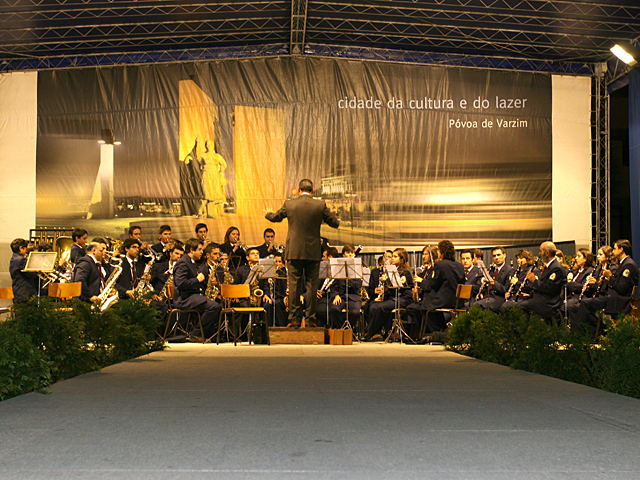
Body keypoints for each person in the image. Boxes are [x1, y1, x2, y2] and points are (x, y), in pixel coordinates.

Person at [265, 178, 340, 327]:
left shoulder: (290, 204)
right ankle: (311, 320)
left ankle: (294, 320)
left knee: (294, 285)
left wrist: (268, 214)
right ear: (312, 191)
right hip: (313, 252)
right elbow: (334, 223)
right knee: (312, 286)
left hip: (294, 251)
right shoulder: (320, 205)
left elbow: (275, 218)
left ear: (299, 190)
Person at [572, 239, 639, 334]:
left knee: (586, 303)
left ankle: (579, 333)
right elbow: (617, 283)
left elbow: (622, 288)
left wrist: (610, 276)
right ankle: (596, 331)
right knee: (583, 304)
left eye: (615, 249)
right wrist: (606, 282)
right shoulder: (623, 263)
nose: (613, 252)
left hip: (619, 300)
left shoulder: (628, 265)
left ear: (621, 249)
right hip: (613, 297)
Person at [172, 238, 221, 340]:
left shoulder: (191, 262)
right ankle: (196, 333)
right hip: (184, 298)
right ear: (191, 250)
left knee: (216, 305)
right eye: (199, 249)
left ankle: (206, 334)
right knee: (213, 307)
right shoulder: (183, 263)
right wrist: (197, 280)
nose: (202, 252)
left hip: (193, 296)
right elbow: (181, 283)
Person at [503, 241, 567, 320]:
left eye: (541, 251)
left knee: (517, 307)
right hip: (541, 299)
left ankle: (522, 329)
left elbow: (548, 289)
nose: (539, 253)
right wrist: (530, 294)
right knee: (511, 305)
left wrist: (534, 281)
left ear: (547, 253)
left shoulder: (556, 268)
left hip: (548, 303)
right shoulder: (550, 266)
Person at [364, 248, 414, 341]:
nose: (393, 259)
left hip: (403, 299)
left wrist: (386, 280)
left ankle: (370, 331)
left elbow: (398, 286)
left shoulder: (405, 272)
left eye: (395, 257)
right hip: (394, 297)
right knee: (373, 306)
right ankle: (378, 332)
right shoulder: (393, 270)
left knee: (380, 307)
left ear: (401, 259)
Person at [420, 240, 465, 334]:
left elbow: (433, 285)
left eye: (439, 250)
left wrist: (422, 282)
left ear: (442, 252)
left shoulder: (440, 265)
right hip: (458, 300)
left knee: (424, 307)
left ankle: (438, 332)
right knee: (431, 306)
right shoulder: (459, 265)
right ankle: (443, 330)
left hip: (446, 300)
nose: (437, 253)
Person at [329, 244, 363, 329]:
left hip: (353, 296)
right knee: (334, 309)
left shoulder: (358, 267)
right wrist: (336, 295)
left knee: (355, 312)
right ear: (343, 255)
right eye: (348, 252)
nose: (350, 255)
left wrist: (347, 278)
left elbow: (358, 285)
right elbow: (333, 284)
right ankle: (342, 329)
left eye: (352, 252)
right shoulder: (337, 267)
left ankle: (350, 329)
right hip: (340, 295)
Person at [474, 247, 514, 312]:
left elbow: (505, 289)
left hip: (498, 298)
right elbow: (487, 285)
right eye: (494, 256)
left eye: (498, 255)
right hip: (488, 297)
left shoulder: (509, 270)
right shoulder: (491, 270)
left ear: (504, 255)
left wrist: (493, 282)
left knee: (477, 306)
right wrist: (481, 292)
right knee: (469, 305)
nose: (496, 257)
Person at [72, 239, 110, 304]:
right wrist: (90, 296)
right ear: (94, 251)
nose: (103, 253)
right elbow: (79, 280)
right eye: (101, 251)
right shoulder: (85, 262)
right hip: (86, 302)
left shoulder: (93, 263)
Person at [9, 238, 39, 303]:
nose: (26, 251)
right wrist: (38, 269)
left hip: (18, 290)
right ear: (20, 248)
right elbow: (30, 274)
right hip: (25, 291)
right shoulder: (21, 260)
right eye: (25, 249)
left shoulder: (14, 258)